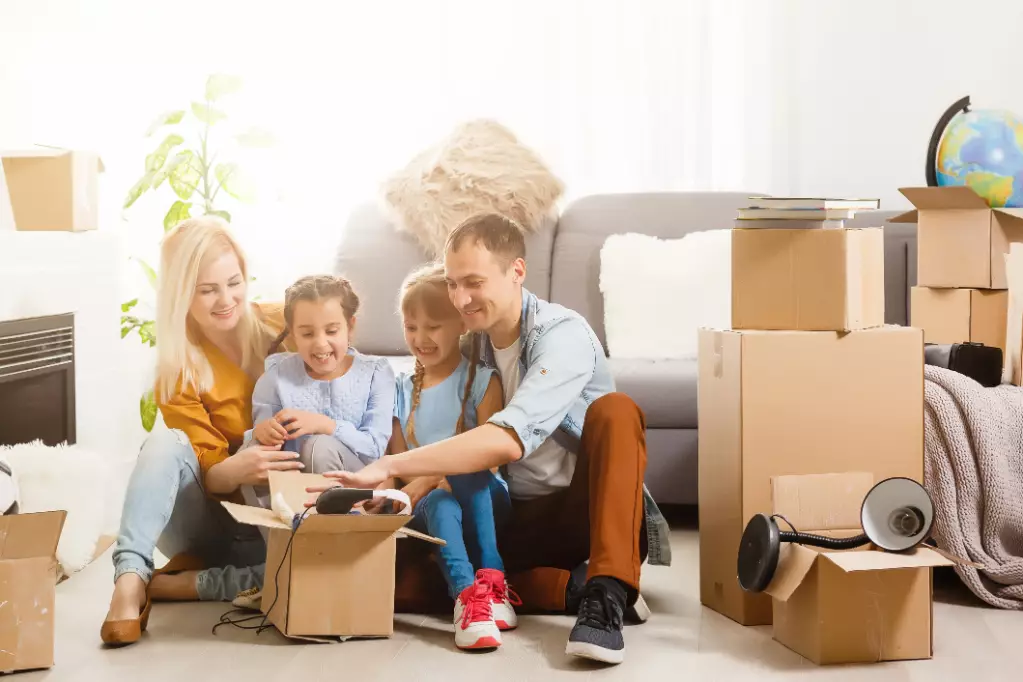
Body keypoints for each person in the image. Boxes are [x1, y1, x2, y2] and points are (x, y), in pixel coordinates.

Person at [309, 214, 671, 665]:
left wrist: (391, 466)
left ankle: (608, 589)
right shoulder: (469, 347)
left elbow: (506, 439)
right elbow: (458, 445)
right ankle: (567, 588)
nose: (460, 299)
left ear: (516, 271)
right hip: (509, 517)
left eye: (473, 282)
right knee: (398, 586)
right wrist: (395, 496)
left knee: (616, 411)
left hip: (584, 515)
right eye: (453, 283)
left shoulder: (563, 335)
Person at [101, 217, 303, 647]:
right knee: (162, 442)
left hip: (279, 516)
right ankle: (131, 579)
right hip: (212, 520)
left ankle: (190, 584)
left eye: (233, 282)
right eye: (207, 290)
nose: (226, 300)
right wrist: (238, 467)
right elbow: (209, 476)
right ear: (181, 294)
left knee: (305, 570)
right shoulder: (179, 369)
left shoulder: (286, 327)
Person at [386, 263, 514, 651]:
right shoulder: (398, 389)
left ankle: (494, 582)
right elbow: (401, 468)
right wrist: (430, 483)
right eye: (411, 327)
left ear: (461, 324)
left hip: (485, 500)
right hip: (430, 505)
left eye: (433, 326)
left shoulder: (483, 380)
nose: (421, 338)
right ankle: (467, 599)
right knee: (441, 499)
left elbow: (489, 459)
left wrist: (439, 474)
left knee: (470, 471)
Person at [245, 274, 394, 476]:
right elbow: (262, 445)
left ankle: (329, 507)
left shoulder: (376, 373)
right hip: (293, 484)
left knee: (320, 446)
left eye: (331, 331)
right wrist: (262, 432)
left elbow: (375, 448)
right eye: (307, 334)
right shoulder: (275, 377)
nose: (320, 343)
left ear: (350, 327)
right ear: (293, 333)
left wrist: (326, 425)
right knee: (249, 452)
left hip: (355, 483)